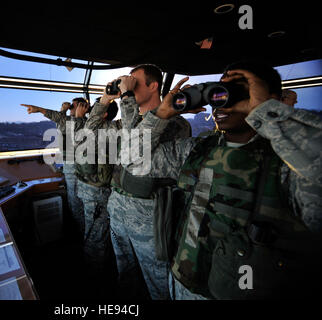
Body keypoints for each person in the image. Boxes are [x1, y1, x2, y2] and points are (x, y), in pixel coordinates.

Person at [122, 60, 322, 299]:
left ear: (268, 99)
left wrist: (265, 113)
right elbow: (132, 160)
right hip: (181, 282)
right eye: (218, 93)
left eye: (237, 92)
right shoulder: (197, 149)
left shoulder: (288, 163)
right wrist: (161, 113)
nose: (221, 101)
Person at [86, 64, 191, 300]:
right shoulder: (123, 122)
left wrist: (126, 96)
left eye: (134, 81)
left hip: (149, 215)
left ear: (154, 86)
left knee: (157, 282)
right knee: (125, 274)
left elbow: (137, 150)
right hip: (119, 208)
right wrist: (105, 99)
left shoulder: (175, 123)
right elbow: (87, 134)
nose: (127, 84)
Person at [21, 98, 89, 239]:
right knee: (74, 206)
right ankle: (80, 237)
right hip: (72, 170)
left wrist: (40, 109)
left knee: (78, 209)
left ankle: (83, 239)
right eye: (71, 108)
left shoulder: (84, 123)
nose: (71, 110)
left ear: (84, 108)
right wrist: (64, 111)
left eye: (74, 107)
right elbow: (61, 127)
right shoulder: (74, 122)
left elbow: (64, 125)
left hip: (78, 173)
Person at [74, 98, 119, 296]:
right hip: (98, 192)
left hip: (90, 191)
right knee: (97, 236)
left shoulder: (93, 129)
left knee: (93, 235)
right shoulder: (111, 130)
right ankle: (96, 278)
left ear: (103, 114)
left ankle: (94, 278)